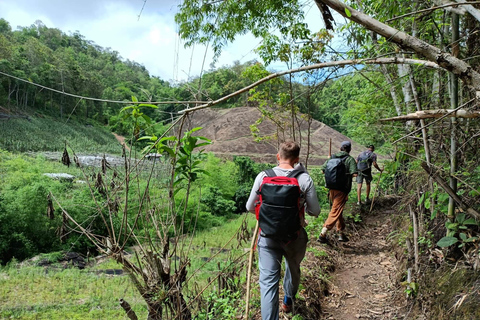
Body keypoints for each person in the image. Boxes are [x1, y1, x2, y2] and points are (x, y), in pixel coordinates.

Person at [246, 140, 320, 319]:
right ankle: (288, 300)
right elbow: (315, 211)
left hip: (268, 237)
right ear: (297, 159)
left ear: (278, 157)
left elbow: (249, 206)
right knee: (293, 269)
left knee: (268, 283)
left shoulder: (263, 176)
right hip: (294, 237)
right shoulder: (304, 178)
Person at [318, 141, 357, 243]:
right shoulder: (350, 159)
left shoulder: (332, 157)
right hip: (342, 189)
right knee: (335, 211)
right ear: (349, 149)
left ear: (340, 148)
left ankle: (340, 233)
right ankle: (323, 233)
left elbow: (323, 170)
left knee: (338, 210)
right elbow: (355, 174)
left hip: (331, 188)